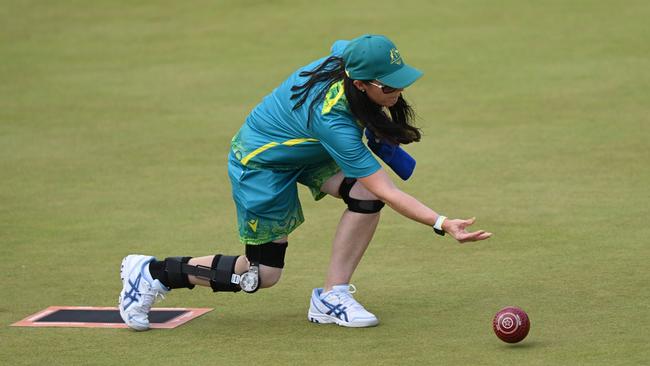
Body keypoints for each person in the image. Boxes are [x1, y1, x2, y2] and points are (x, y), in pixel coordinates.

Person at [118, 34, 492, 331]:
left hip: (307, 147)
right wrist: (442, 223)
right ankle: (153, 272)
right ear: (361, 85)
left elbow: (344, 48)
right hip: (262, 163)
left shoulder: (351, 60)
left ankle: (332, 296)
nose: (397, 93)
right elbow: (387, 189)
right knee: (260, 275)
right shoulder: (333, 121)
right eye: (388, 86)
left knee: (362, 198)